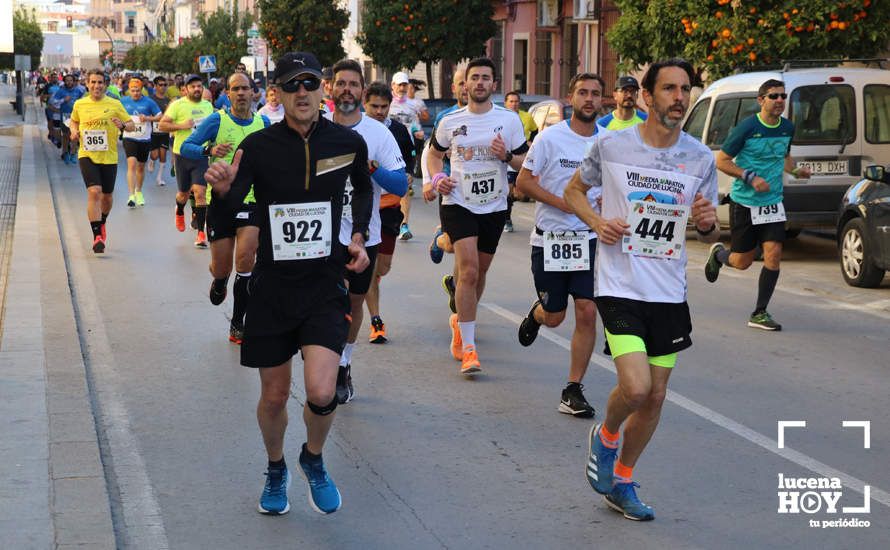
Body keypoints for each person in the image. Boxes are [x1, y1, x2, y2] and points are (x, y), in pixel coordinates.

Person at [204, 51, 372, 517]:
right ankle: (276, 467)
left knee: (322, 392)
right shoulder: (258, 147)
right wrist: (221, 192)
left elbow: (363, 188)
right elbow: (230, 209)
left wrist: (357, 235)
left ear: (323, 89)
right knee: (274, 396)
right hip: (273, 286)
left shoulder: (346, 142)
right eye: (291, 85)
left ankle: (313, 459)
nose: (302, 93)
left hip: (323, 284)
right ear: (275, 93)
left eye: (309, 83)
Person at [563, 58, 719, 521]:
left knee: (655, 396)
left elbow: (705, 224)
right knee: (635, 388)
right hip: (619, 285)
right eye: (669, 89)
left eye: (685, 89)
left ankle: (624, 482)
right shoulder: (611, 147)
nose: (679, 97)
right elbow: (574, 191)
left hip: (669, 291)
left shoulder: (699, 157)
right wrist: (597, 221)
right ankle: (606, 437)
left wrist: (708, 225)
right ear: (647, 96)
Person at [426, 57, 528, 375]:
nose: (480, 82)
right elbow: (433, 154)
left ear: (493, 85)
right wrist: (435, 178)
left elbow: (525, 161)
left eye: (486, 78)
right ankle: (469, 348)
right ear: (465, 85)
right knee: (468, 271)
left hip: (494, 206)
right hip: (458, 202)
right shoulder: (450, 121)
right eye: (475, 78)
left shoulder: (509, 121)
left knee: (479, 274)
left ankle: (460, 319)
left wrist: (507, 156)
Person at [515, 73, 604, 418]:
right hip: (550, 238)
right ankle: (537, 314)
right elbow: (523, 182)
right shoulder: (550, 138)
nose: (589, 99)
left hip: (590, 238)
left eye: (596, 94)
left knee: (586, 310)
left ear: (601, 101)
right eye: (583, 92)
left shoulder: (608, 142)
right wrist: (562, 202)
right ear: (571, 97)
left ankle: (573, 388)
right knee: (555, 317)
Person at [326, 60, 407, 403]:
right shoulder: (315, 127)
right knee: (328, 303)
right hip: (322, 235)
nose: (347, 89)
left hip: (365, 234)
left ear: (362, 90)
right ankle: (325, 365)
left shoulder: (378, 133)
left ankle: (343, 362)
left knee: (353, 304)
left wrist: (371, 168)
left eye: (353, 84)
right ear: (329, 88)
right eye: (340, 83)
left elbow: (401, 185)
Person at [706, 79, 811, 331]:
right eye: (774, 96)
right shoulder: (747, 127)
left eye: (783, 96)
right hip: (745, 202)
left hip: (773, 202)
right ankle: (719, 255)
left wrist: (796, 171)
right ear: (761, 100)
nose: (779, 101)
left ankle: (760, 312)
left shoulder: (787, 127)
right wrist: (750, 177)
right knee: (742, 261)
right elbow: (722, 161)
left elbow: (784, 156)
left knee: (773, 254)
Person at [181, 72, 270, 344]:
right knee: (222, 267)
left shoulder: (263, 122)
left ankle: (238, 322)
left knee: (245, 259)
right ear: (227, 94)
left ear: (254, 93)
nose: (241, 93)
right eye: (235, 89)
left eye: (246, 88)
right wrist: (209, 151)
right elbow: (187, 147)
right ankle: (220, 281)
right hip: (220, 201)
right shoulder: (217, 119)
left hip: (252, 200)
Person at [362, 81, 415, 344]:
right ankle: (376, 320)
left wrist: (406, 175)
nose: (380, 111)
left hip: (390, 205)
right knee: (370, 269)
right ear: (365, 103)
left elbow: (408, 162)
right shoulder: (356, 129)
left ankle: (371, 284)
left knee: (383, 266)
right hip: (365, 208)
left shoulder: (398, 131)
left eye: (384, 107)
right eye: (374, 106)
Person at [69, 69, 136, 253]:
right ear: (87, 84)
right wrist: (73, 131)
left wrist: (122, 125)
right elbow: (73, 121)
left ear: (105, 85)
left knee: (106, 196)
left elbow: (131, 124)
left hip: (109, 157)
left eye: (100, 82)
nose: (96, 86)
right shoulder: (80, 104)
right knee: (94, 192)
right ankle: (97, 235)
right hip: (87, 155)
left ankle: (102, 221)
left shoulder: (114, 104)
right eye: (93, 82)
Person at [158, 74, 215, 248]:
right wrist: (182, 126)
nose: (197, 89)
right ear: (186, 89)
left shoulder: (207, 106)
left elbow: (213, 128)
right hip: (182, 155)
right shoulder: (177, 105)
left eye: (199, 86)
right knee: (183, 194)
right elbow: (162, 125)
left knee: (200, 192)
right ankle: (180, 210)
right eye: (193, 87)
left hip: (201, 155)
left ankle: (200, 233)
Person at [389, 71, 425, 240]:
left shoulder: (413, 105)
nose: (402, 88)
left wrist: (418, 132)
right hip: (386, 149)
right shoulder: (386, 104)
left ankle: (404, 225)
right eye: (400, 85)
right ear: (393, 86)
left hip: (405, 148)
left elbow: (416, 125)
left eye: (405, 85)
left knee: (405, 186)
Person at [120, 78, 162, 207]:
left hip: (144, 138)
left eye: (138, 90)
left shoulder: (149, 102)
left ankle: (139, 192)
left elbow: (160, 116)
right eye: (133, 91)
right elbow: (117, 115)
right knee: (131, 164)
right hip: (129, 137)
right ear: (129, 91)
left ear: (141, 90)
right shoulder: (123, 101)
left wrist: (148, 118)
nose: (135, 93)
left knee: (140, 167)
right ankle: (131, 195)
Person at [502, 91, 539, 232]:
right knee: (508, 191)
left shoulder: (527, 117)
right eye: (511, 101)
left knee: (521, 194)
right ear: (506, 103)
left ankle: (508, 206)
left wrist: (531, 142)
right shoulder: (501, 117)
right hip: (508, 159)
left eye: (516, 101)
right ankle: (507, 219)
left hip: (524, 159)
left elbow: (536, 132)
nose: (514, 104)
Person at [50, 73, 86, 164]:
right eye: (67, 80)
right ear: (64, 81)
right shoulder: (61, 91)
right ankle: (65, 153)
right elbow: (53, 102)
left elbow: (85, 100)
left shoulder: (79, 91)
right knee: (66, 136)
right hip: (65, 116)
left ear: (74, 81)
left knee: (75, 135)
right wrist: (63, 100)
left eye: (71, 80)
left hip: (76, 116)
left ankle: (73, 153)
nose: (69, 82)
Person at [147, 76, 172, 186]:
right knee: (155, 155)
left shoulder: (168, 101)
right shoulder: (150, 99)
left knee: (163, 154)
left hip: (164, 132)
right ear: (155, 86)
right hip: (153, 131)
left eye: (165, 85)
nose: (163, 87)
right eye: (160, 85)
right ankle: (152, 160)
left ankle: (159, 178)